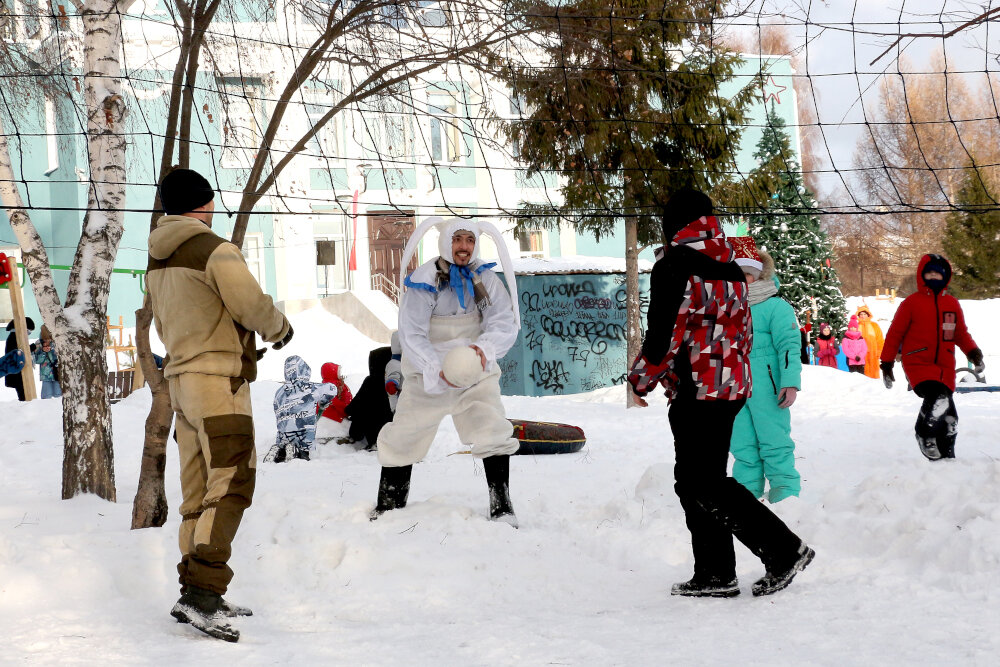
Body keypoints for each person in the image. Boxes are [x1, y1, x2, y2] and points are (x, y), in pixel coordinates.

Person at [627, 189, 813, 598]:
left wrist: (640, 381)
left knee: (703, 482)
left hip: (699, 390)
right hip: (729, 387)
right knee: (695, 481)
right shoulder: (729, 263)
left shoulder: (675, 265)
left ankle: (784, 549)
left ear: (673, 223)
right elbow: (740, 331)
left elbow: (663, 336)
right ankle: (714, 572)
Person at [146, 167, 293, 642]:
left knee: (197, 490)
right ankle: (203, 595)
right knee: (231, 483)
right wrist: (279, 328)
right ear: (204, 203)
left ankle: (193, 586)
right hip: (216, 384)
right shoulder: (214, 249)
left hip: (181, 383)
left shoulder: (158, 259)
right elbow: (250, 305)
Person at [372, 217, 521, 526]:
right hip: (428, 377)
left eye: (469, 240)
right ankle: (389, 505)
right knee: (403, 436)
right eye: (457, 240)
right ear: (445, 242)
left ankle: (502, 505)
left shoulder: (486, 279)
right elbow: (411, 333)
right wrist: (433, 367)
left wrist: (484, 350)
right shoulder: (424, 280)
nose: (463, 247)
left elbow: (503, 321)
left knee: (492, 428)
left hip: (474, 374)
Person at [880, 254, 983, 461]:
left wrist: (973, 352)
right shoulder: (911, 303)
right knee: (939, 398)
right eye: (929, 273)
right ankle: (923, 433)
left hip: (945, 367)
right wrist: (887, 363)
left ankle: (946, 457)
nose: (933, 276)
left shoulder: (952, 304)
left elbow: (960, 333)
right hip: (918, 363)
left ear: (946, 276)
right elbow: (895, 334)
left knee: (950, 417)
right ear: (922, 275)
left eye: (938, 273)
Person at [728, 238, 802, 503]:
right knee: (742, 444)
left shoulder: (775, 307)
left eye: (747, 275)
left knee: (774, 441)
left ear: (758, 276)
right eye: (737, 275)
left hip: (768, 384)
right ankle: (746, 495)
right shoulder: (725, 309)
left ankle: (786, 493)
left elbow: (789, 347)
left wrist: (790, 383)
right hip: (733, 384)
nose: (742, 280)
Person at [269, 355, 340, 462]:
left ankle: (279, 451)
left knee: (284, 445)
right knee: (302, 453)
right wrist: (323, 401)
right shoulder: (309, 388)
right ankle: (297, 451)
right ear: (304, 371)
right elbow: (332, 389)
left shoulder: (278, 393)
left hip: (283, 434)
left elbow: (276, 410)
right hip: (303, 434)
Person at [345, 345, 394, 450]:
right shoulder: (394, 382)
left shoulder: (371, 381)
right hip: (393, 428)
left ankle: (374, 442)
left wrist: (348, 411)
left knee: (364, 412)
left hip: (374, 431)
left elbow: (358, 403)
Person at [315, 362, 354, 444]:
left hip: (322, 419)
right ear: (332, 373)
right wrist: (347, 411)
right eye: (338, 371)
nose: (340, 374)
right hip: (336, 418)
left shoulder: (322, 386)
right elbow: (344, 404)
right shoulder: (337, 386)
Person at [4, 317, 35, 401]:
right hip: (17, 373)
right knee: (24, 397)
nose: (29, 333)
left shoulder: (15, 336)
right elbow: (19, 352)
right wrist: (33, 347)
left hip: (18, 372)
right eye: (28, 330)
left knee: (24, 396)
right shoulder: (14, 337)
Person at [32, 325, 61, 399]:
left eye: (49, 339)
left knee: (59, 396)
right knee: (46, 397)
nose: (47, 341)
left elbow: (61, 358)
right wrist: (43, 352)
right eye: (45, 339)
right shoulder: (38, 344)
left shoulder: (57, 342)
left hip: (57, 373)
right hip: (45, 375)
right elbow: (37, 360)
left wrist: (52, 350)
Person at [855, 305, 884, 379]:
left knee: (874, 374)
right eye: (861, 314)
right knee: (862, 375)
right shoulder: (856, 326)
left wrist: (879, 351)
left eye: (864, 314)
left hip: (873, 354)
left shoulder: (874, 325)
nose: (863, 316)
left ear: (868, 315)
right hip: (860, 355)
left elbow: (880, 340)